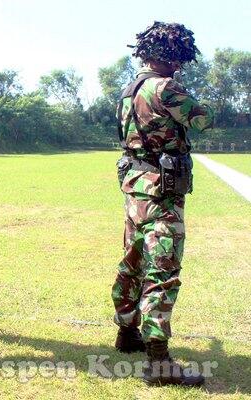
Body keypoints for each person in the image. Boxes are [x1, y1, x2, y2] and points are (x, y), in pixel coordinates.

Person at [112, 22, 214, 386]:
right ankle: (158, 362)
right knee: (163, 268)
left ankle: (127, 332)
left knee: (133, 260)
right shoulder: (166, 87)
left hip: (136, 186)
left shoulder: (129, 89)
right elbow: (203, 121)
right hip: (162, 189)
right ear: (172, 56)